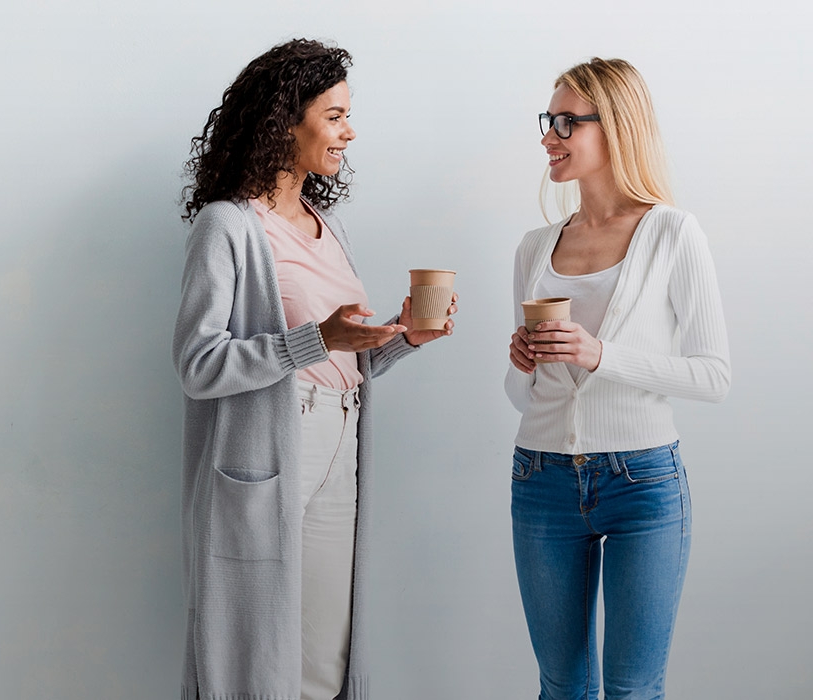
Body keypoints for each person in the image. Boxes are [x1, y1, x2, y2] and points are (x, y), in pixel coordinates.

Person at [174, 38, 454, 700]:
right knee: (256, 652)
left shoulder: (331, 228)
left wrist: (403, 338)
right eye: (334, 116)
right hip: (269, 450)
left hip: (341, 442)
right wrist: (312, 339)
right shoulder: (228, 227)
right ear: (284, 119)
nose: (348, 132)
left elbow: (339, 358)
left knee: (325, 654)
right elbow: (198, 363)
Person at [505, 57, 731, 700]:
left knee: (633, 688)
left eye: (566, 121)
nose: (549, 134)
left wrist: (600, 354)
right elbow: (522, 395)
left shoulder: (672, 232)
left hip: (643, 484)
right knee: (562, 686)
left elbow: (713, 375)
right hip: (540, 477)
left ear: (618, 127)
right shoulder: (533, 247)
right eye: (547, 120)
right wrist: (523, 364)